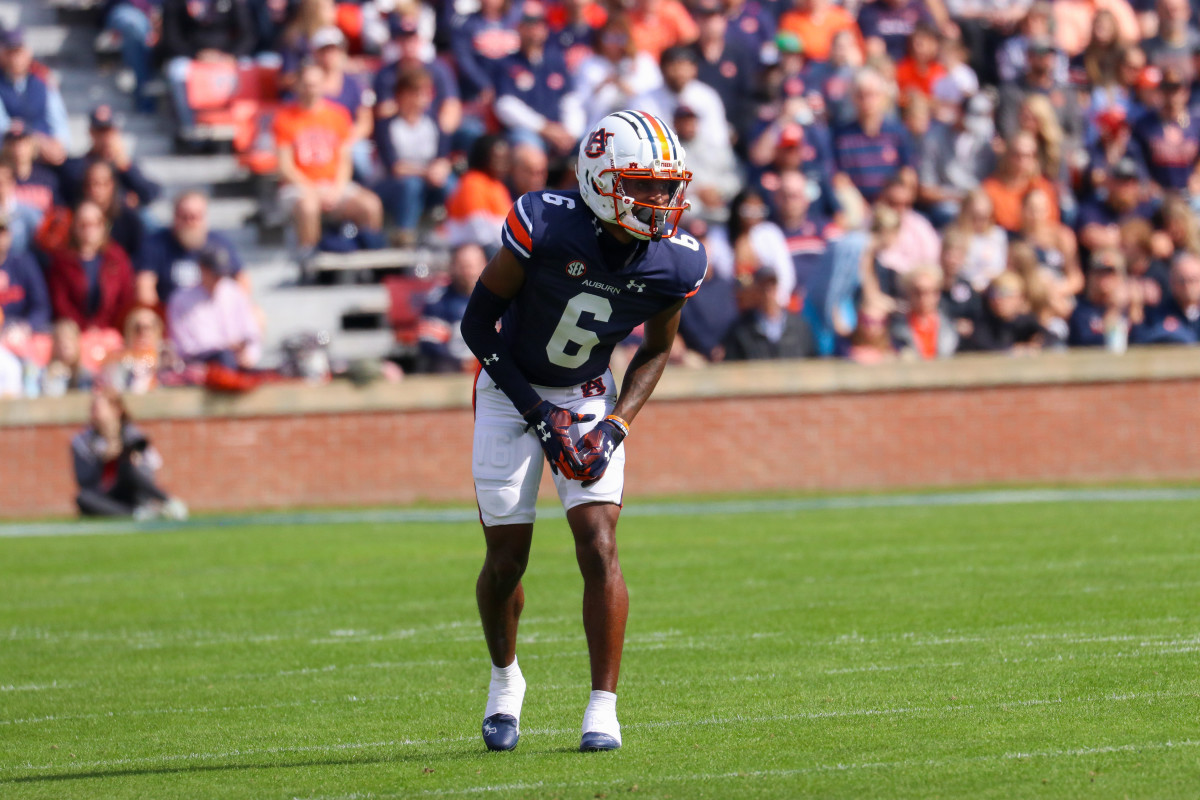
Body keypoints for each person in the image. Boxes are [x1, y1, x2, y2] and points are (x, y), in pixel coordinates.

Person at [459, 110, 705, 753]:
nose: (661, 201)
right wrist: (539, 417)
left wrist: (617, 426)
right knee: (507, 560)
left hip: (589, 394)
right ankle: (505, 681)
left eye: (666, 186)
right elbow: (476, 327)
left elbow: (655, 350)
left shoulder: (676, 264)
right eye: (644, 185)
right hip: (511, 391)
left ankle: (603, 709)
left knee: (599, 544)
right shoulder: (544, 223)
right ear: (598, 180)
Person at [273, 61, 385, 267]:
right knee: (308, 206)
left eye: (315, 84)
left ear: (323, 85)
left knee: (370, 205)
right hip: (299, 186)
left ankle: (370, 259)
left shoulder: (338, 115)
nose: (310, 89)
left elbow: (344, 160)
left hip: (333, 184)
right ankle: (310, 260)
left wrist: (336, 189)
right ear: (297, 85)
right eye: (306, 84)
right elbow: (285, 166)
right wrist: (312, 189)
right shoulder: (284, 118)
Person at [72, 388, 188, 519]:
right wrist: (102, 460)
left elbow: (152, 469)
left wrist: (133, 461)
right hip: (106, 494)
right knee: (82, 499)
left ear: (116, 410)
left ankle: (170, 503)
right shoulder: (83, 441)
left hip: (133, 492)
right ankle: (138, 514)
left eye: (98, 408)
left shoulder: (133, 436)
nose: (93, 413)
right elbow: (84, 481)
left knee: (127, 468)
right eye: (92, 408)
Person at [137, 191, 247, 308]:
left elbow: (241, 278)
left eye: (195, 217)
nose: (190, 222)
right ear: (175, 217)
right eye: (185, 217)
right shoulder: (155, 244)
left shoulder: (219, 244)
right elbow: (145, 285)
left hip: (213, 313)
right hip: (170, 313)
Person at [45, 201, 136, 334]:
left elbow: (125, 298)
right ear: (74, 226)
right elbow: (61, 303)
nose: (89, 229)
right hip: (74, 333)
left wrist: (103, 327)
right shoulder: (62, 261)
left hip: (110, 332)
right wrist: (84, 328)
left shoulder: (117, 258)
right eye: (83, 224)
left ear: (103, 225)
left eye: (95, 223)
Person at [167, 245, 262, 368]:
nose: (219, 279)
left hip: (235, 357)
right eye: (215, 274)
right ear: (202, 269)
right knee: (224, 356)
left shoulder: (234, 292)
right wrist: (225, 346)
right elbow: (186, 346)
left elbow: (251, 333)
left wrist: (249, 356)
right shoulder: (181, 299)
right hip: (201, 361)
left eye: (221, 274)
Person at [0, 28, 70, 164]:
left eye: (18, 52)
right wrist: (35, 140)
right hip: (11, 153)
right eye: (10, 53)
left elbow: (58, 119)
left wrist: (59, 145)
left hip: (45, 154)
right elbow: (4, 125)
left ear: (27, 53)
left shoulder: (42, 80)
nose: (15, 59)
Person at [417, 243, 488, 372]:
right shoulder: (438, 300)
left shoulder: (499, 298)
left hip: (492, 363)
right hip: (452, 364)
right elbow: (431, 344)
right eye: (464, 266)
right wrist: (463, 363)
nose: (469, 272)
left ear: (484, 266)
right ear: (453, 267)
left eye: (473, 266)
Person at [723, 267, 817, 359]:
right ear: (756, 291)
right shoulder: (742, 331)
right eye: (763, 287)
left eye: (772, 287)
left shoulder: (799, 328)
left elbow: (811, 362)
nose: (768, 293)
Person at [889, 263, 958, 358]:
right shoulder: (897, 329)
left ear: (937, 294)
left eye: (929, 291)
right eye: (917, 292)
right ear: (908, 293)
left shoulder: (950, 326)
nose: (923, 298)